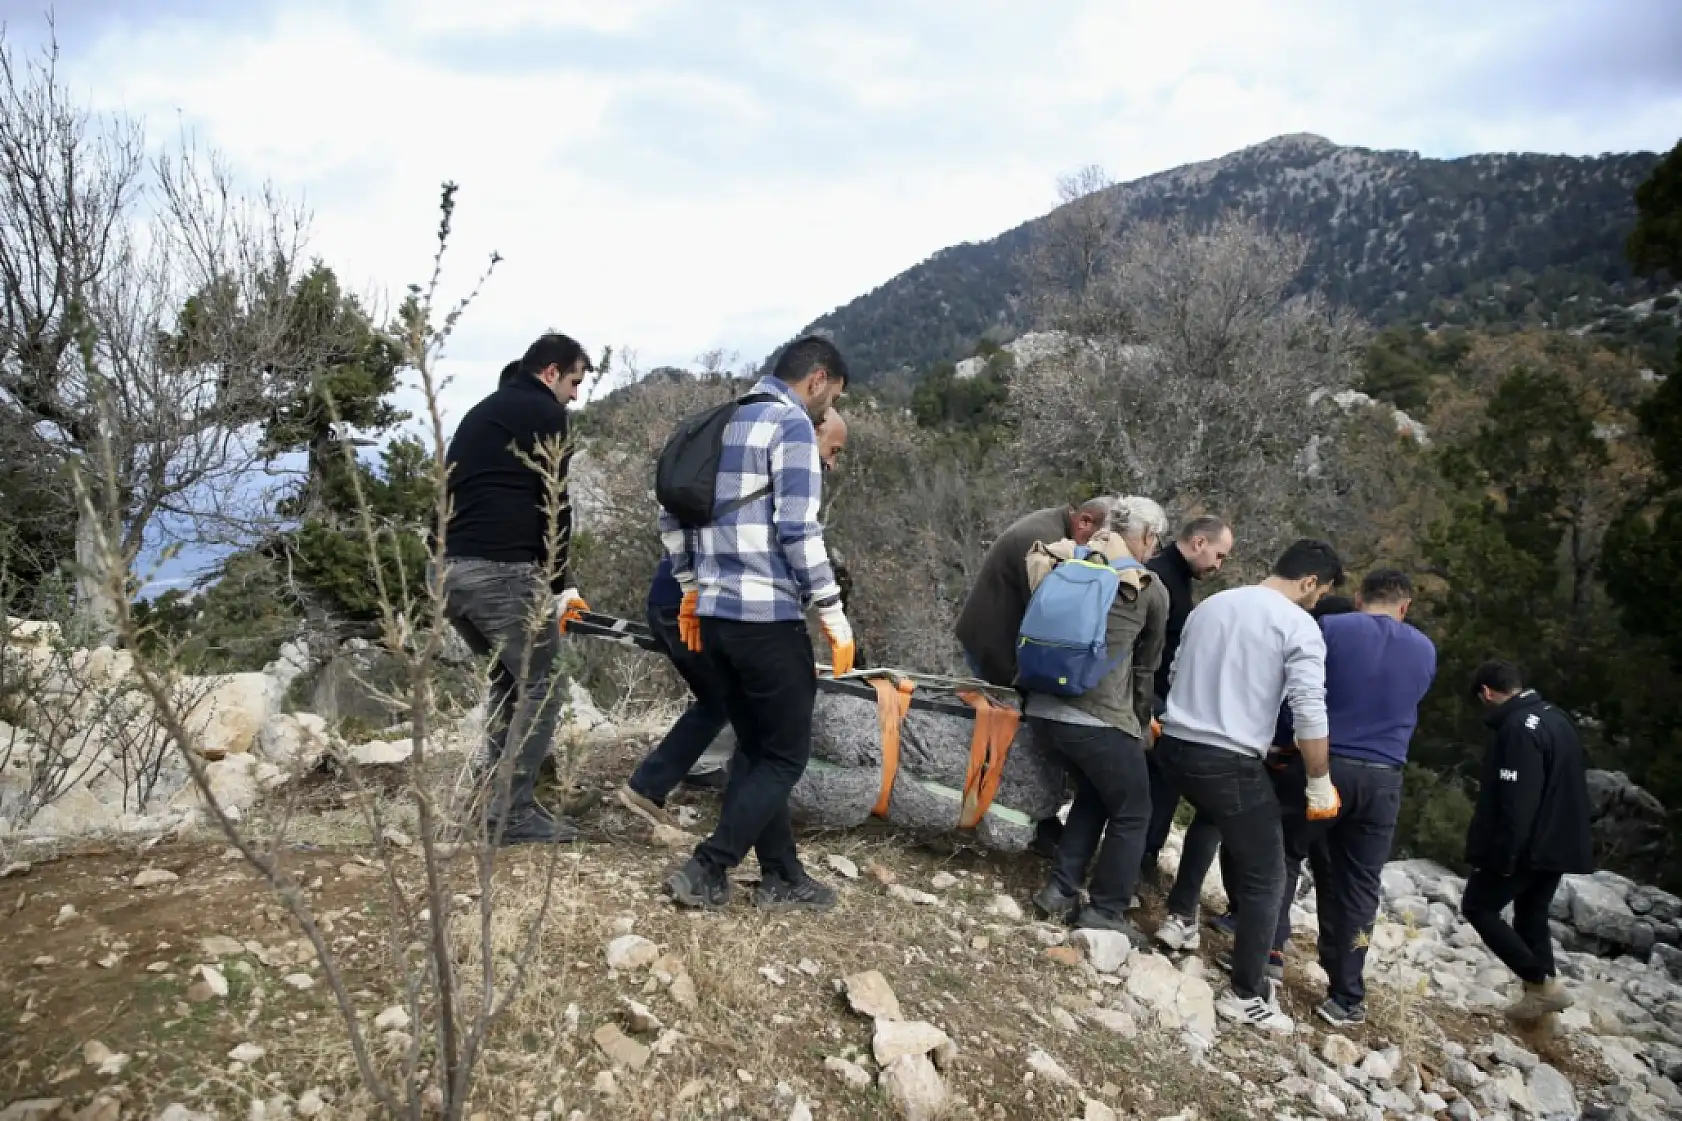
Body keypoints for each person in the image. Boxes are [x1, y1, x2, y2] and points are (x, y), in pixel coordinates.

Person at [659, 336, 852, 911]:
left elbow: (671, 514)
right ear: (817, 379)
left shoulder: (716, 421)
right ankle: (708, 866)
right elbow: (798, 528)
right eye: (832, 396)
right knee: (785, 756)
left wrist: (690, 588)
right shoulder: (790, 425)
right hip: (767, 618)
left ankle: (782, 875)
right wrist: (831, 610)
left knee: (756, 749)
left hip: (714, 619)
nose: (828, 408)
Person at [1153, 539, 1344, 1032]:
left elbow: (1174, 670)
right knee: (1267, 875)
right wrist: (1319, 781)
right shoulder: (1297, 624)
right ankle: (1247, 992)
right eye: (1320, 592)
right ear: (1309, 582)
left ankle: (1180, 918)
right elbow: (1309, 711)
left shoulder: (1213, 604)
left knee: (1211, 817)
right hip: (1229, 758)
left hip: (1174, 744)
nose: (1317, 602)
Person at [620, 410, 848, 821]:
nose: (831, 463)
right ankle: (657, 789)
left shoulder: (745, 469)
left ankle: (703, 787)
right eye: (832, 450)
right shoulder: (775, 469)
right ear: (812, 430)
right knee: (729, 706)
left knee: (727, 704)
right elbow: (791, 540)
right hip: (691, 605)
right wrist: (827, 613)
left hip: (683, 600)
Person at [441, 333, 594, 845]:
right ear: (550, 373)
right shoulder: (545, 413)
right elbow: (555, 506)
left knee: (512, 680)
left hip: (449, 572)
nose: (574, 395)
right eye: (574, 382)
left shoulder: (486, 411)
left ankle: (494, 796)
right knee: (544, 683)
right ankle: (512, 813)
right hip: (499, 571)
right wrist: (559, 586)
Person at [1268, 570, 1437, 1026]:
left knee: (1283, 851)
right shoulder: (1425, 649)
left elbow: (1299, 691)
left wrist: (1280, 743)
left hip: (1323, 763)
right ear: (1405, 607)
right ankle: (1346, 994)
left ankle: (1268, 953)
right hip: (1383, 778)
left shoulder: (1331, 628)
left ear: (1359, 598)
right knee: (1359, 884)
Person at [1024, 497, 1169, 943]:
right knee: (1134, 810)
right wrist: (1140, 727)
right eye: (1155, 541)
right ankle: (1106, 909)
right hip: (1097, 717)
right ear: (1146, 536)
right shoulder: (1148, 587)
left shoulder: (1065, 558)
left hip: (1041, 705)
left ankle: (1059, 890)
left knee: (1096, 792)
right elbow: (1145, 670)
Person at [954, 495, 1118, 854]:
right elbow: (1054, 615)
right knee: (1019, 734)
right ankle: (1014, 813)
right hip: (996, 646)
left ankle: (1021, 812)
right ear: (1085, 522)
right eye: (1101, 539)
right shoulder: (1044, 541)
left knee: (1019, 731)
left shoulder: (1052, 528)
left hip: (999, 639)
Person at [1459, 661, 1593, 1021]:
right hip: (1561, 841)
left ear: (1487, 692)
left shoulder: (1518, 728)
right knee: (1531, 917)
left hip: (1529, 845)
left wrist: (1504, 856)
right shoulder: (1556, 717)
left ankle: (1540, 984)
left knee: (1478, 907)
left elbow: (1517, 800)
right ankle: (1543, 1018)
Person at [1140, 516, 1233, 895]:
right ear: (1198, 543)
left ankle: (1139, 858)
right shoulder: (1162, 578)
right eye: (1219, 555)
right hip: (1149, 697)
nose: (1218, 565)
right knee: (1160, 783)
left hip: (1155, 695)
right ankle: (1140, 862)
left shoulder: (1172, 577)